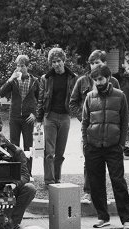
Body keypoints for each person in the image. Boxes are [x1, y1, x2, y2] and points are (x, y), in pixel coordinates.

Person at [81, 64, 129, 229]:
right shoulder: (89, 97)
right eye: (95, 80)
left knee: (118, 182)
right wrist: (85, 143)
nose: (98, 82)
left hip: (113, 147)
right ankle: (103, 217)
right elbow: (85, 122)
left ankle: (126, 220)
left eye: (101, 79)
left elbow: (125, 122)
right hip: (93, 146)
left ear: (109, 78)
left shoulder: (120, 96)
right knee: (96, 183)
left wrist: (121, 144)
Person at [70, 50, 120, 201]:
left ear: (104, 63)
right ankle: (88, 192)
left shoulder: (113, 82)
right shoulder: (82, 81)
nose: (93, 66)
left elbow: (119, 104)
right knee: (89, 161)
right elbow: (72, 102)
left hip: (108, 130)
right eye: (91, 63)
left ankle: (102, 196)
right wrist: (83, 118)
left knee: (106, 163)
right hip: (90, 128)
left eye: (97, 63)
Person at [36, 47, 77, 185]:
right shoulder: (45, 78)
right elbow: (41, 99)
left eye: (58, 61)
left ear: (63, 60)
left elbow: (77, 99)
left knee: (60, 153)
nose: (56, 64)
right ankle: (49, 180)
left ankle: (57, 178)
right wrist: (38, 119)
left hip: (65, 117)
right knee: (49, 152)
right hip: (50, 116)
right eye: (53, 62)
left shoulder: (73, 77)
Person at [0, 55, 39, 176]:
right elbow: (0, 93)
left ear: (27, 66)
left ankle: (28, 173)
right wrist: (10, 79)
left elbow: (41, 99)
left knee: (28, 147)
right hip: (14, 117)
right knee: (13, 145)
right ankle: (15, 173)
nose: (19, 68)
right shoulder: (14, 80)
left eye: (22, 65)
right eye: (17, 65)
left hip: (28, 118)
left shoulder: (35, 81)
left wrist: (35, 114)